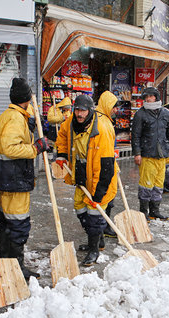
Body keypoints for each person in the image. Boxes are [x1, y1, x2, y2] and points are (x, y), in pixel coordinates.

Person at [0, 78, 48, 280]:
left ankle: (6, 260)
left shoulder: (6, 116)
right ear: (26, 100)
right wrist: (36, 148)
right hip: (14, 178)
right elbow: (10, 147)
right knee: (17, 222)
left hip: (4, 177)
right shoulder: (15, 119)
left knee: (6, 221)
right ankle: (16, 265)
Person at [55, 94, 117, 266]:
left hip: (102, 178)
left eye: (83, 111)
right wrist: (61, 154)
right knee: (80, 208)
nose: (79, 114)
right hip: (81, 173)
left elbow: (105, 168)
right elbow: (62, 135)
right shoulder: (72, 122)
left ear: (90, 111)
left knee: (95, 215)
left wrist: (97, 196)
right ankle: (97, 239)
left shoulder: (101, 130)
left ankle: (94, 249)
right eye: (77, 110)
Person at [131, 87, 169, 221]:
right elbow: (136, 135)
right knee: (146, 184)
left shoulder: (166, 113)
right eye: (146, 97)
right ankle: (143, 211)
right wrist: (137, 153)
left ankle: (154, 210)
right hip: (147, 154)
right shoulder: (140, 114)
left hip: (162, 154)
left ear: (156, 97)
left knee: (158, 184)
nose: (148, 99)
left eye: (150, 96)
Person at [95, 90, 121, 239]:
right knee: (104, 197)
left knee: (109, 197)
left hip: (109, 162)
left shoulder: (105, 119)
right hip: (102, 164)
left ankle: (104, 227)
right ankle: (100, 230)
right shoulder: (101, 122)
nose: (116, 110)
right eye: (114, 107)